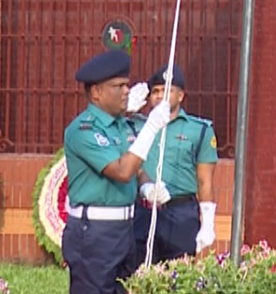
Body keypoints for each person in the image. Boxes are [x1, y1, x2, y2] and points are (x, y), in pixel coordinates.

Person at [62, 50, 173, 294]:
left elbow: (134, 166)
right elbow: (122, 171)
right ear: (96, 93)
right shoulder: (84, 130)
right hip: (93, 233)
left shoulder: (122, 125)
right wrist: (152, 126)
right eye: (119, 86)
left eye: (126, 85)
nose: (126, 91)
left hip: (124, 229)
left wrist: (146, 185)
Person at [131, 63, 219, 264]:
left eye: (167, 90)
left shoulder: (199, 130)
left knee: (177, 277)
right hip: (143, 211)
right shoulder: (136, 126)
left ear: (180, 96)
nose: (160, 96)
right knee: (138, 274)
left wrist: (208, 222)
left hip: (180, 213)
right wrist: (125, 107)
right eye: (155, 91)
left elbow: (205, 181)